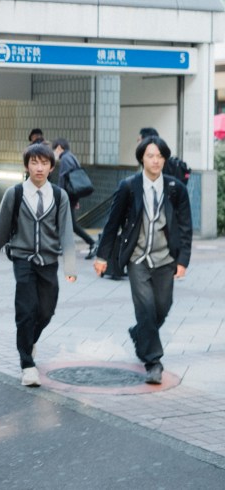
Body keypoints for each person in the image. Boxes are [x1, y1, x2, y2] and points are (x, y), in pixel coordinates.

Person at [94, 135, 192, 385]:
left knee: (163, 306)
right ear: (141, 159)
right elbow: (112, 222)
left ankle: (139, 333)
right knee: (145, 308)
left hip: (165, 259)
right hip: (137, 258)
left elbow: (184, 227)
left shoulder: (175, 188)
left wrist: (183, 260)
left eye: (160, 156)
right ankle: (153, 361)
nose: (156, 160)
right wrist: (102, 256)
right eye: (151, 155)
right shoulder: (129, 186)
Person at [0, 143, 76, 387]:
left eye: (44, 163)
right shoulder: (15, 194)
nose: (39, 168)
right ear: (26, 166)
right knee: (26, 310)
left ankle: (30, 341)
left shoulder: (59, 196)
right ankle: (27, 364)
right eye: (34, 162)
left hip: (49, 261)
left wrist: (70, 267)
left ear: (51, 167)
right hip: (22, 260)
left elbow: (66, 232)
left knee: (46, 311)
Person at [51, 138, 99, 260]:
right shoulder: (71, 157)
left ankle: (92, 243)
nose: (54, 153)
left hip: (66, 197)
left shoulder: (65, 159)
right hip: (71, 196)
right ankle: (61, 246)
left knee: (68, 223)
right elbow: (75, 180)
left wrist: (59, 197)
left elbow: (63, 180)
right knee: (65, 222)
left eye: (54, 149)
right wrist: (76, 199)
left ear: (59, 148)